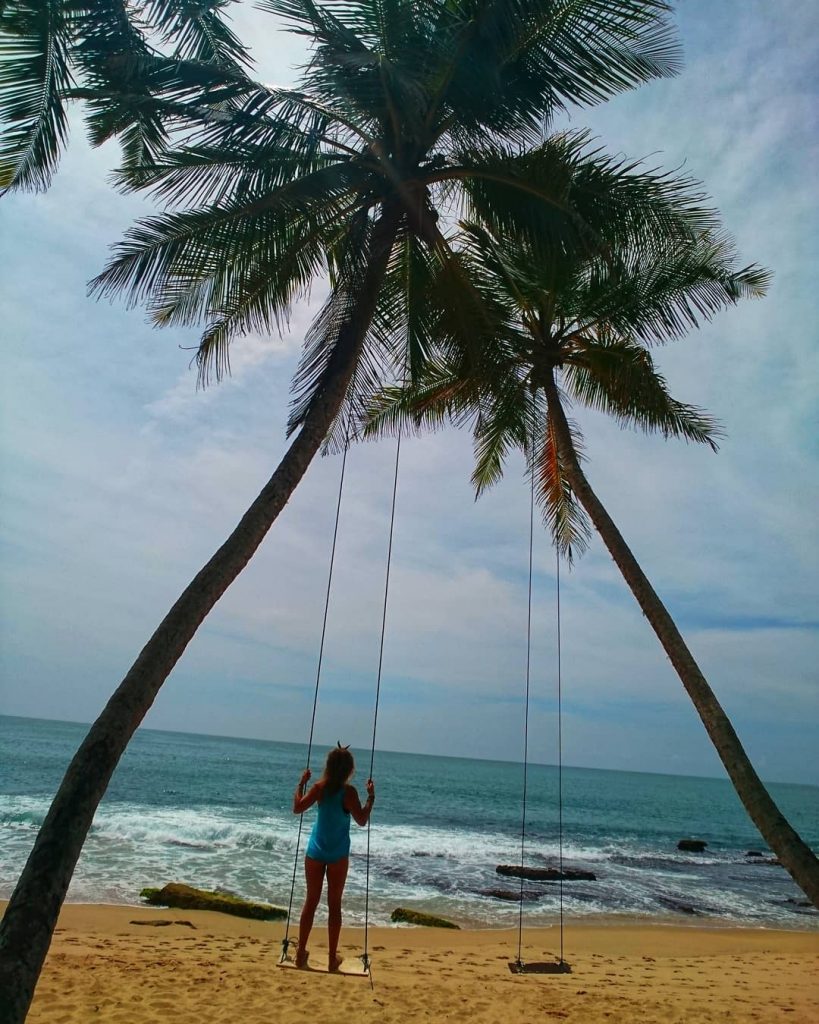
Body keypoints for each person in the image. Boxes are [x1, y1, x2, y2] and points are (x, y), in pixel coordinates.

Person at [292, 743, 375, 971]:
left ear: (328, 766)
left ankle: (300, 954)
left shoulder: (319, 788)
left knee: (311, 901)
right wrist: (370, 798)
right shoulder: (349, 793)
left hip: (315, 852)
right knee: (334, 904)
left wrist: (301, 783)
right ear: (349, 769)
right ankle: (331, 959)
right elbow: (361, 820)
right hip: (338, 854)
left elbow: (297, 808)